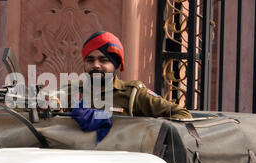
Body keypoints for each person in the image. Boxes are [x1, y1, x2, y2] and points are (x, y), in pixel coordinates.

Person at [58, 31, 192, 120]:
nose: (96, 65)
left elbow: (183, 114)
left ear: (115, 65)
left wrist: (150, 131)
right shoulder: (70, 91)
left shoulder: (133, 94)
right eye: (90, 60)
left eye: (103, 60)